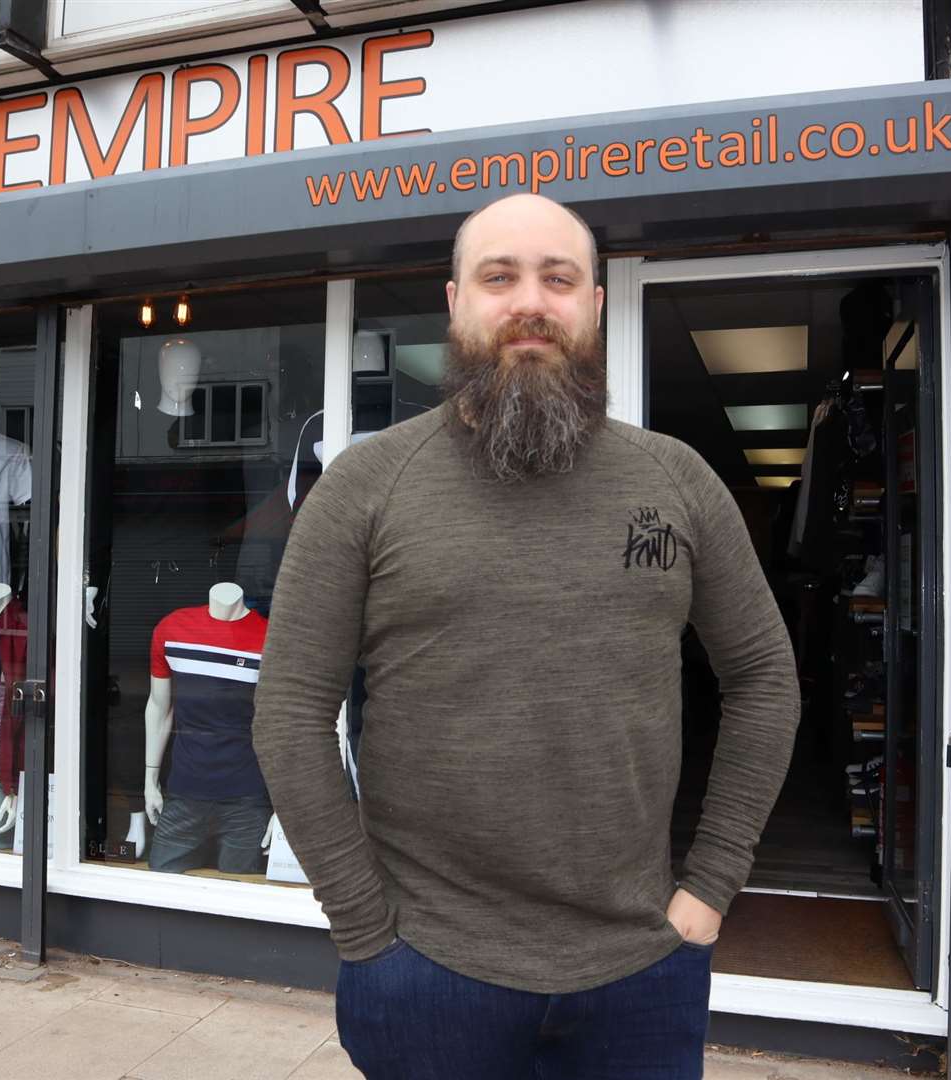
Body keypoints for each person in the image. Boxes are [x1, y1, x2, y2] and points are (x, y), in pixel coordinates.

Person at [252, 193, 800, 1079]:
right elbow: (289, 711)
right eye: (498, 276)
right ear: (456, 302)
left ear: (595, 302)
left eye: (559, 277)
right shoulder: (367, 486)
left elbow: (766, 680)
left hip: (642, 971)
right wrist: (363, 925)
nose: (529, 302)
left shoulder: (677, 481)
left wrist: (708, 890)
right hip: (426, 972)